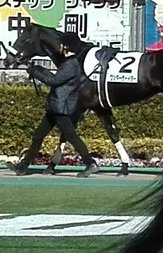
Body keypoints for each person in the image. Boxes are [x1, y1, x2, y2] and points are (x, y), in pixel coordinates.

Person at [11, 45, 98, 177]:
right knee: (38, 135)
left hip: (60, 108)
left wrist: (35, 71)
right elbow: (55, 77)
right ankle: (23, 166)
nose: (60, 47)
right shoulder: (69, 63)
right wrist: (36, 68)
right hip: (55, 106)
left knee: (71, 136)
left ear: (68, 47)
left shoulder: (71, 64)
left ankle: (90, 163)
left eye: (62, 45)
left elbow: (53, 80)